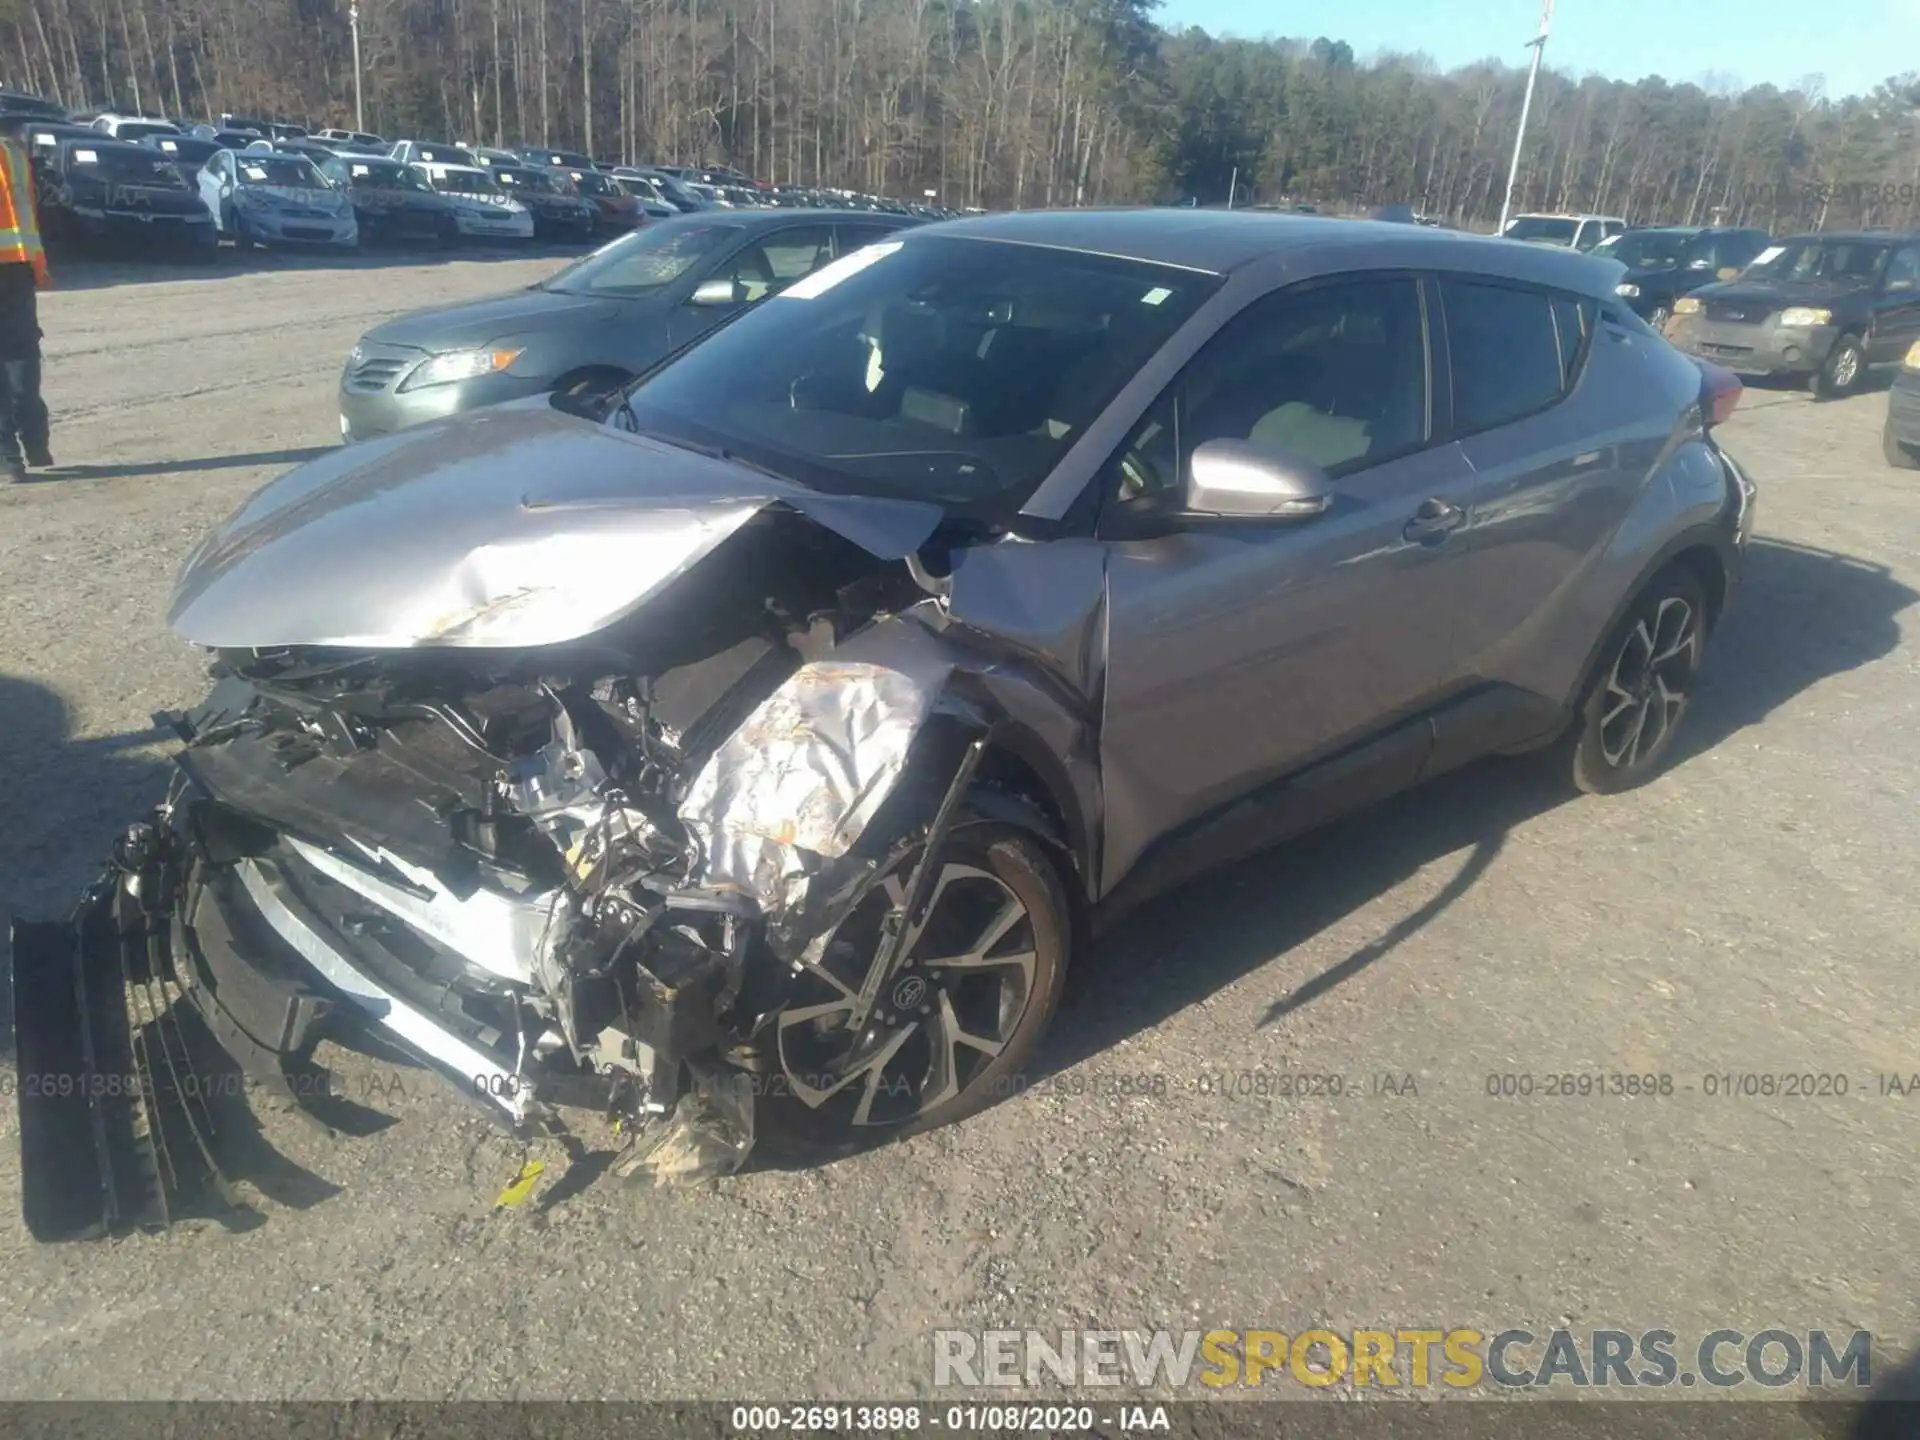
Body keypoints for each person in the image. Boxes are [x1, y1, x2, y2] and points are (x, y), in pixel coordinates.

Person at [0, 131, 50, 481]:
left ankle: (7, 456)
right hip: (18, 267)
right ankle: (34, 440)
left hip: (16, 269)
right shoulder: (12, 152)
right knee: (21, 353)